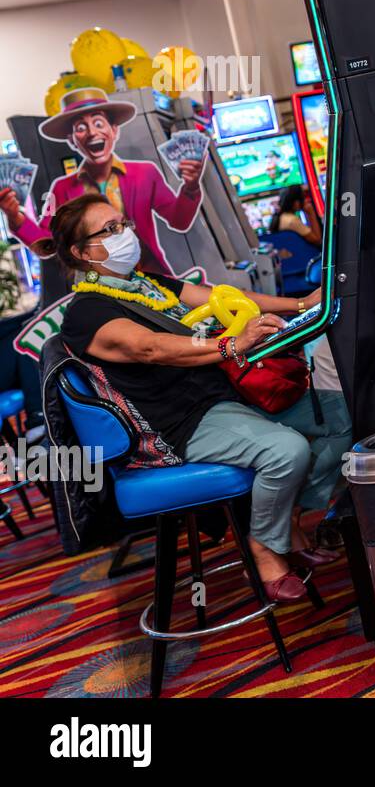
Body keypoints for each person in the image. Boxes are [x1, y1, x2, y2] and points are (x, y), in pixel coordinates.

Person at [42, 193, 350, 602]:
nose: (124, 235)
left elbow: (223, 298)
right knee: (287, 450)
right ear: (82, 252)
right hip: (180, 424)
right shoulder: (86, 312)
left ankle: (286, 515)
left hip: (225, 397)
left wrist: (300, 304)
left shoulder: (146, 285)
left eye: (123, 224)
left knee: (342, 417)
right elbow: (150, 347)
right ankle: (263, 546)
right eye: (110, 230)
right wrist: (230, 345)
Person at [0, 87, 204, 275]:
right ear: (72, 140)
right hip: (101, 285)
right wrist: (14, 215)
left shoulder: (145, 173)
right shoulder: (61, 189)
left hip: (153, 276)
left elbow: (179, 221)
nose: (92, 132)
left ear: (114, 130)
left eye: (98, 123)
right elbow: (48, 242)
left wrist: (191, 187)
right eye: (81, 127)